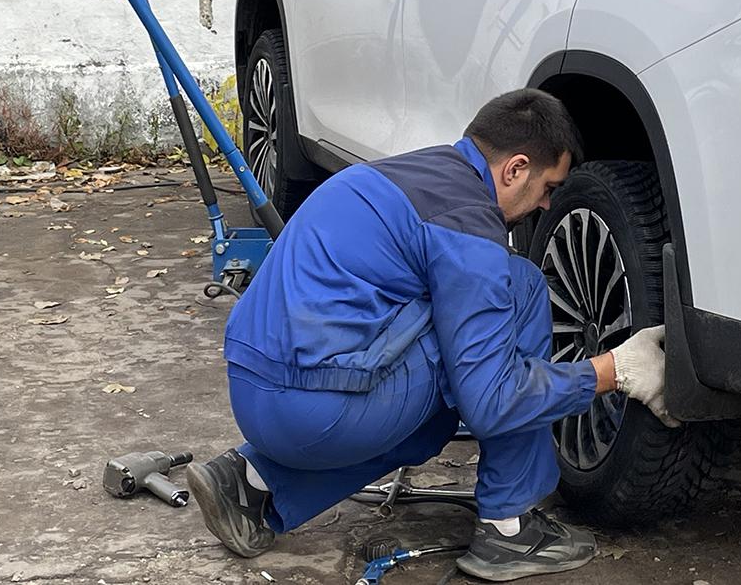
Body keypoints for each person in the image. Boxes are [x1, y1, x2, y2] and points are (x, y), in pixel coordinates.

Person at [188, 89, 676, 582]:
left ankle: (250, 483)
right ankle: (509, 527)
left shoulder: (404, 174)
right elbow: (493, 400)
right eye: (549, 186)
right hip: (316, 408)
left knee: (432, 422)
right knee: (521, 288)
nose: (548, 203)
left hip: (251, 391)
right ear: (515, 169)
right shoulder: (466, 224)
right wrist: (614, 371)